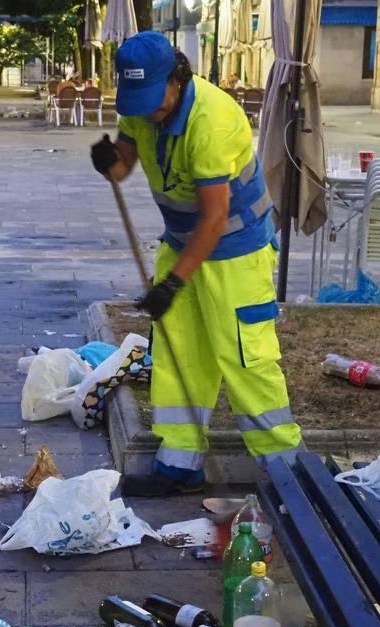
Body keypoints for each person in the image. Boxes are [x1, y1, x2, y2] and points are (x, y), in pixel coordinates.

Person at [90, 31, 301, 495]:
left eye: (155, 102)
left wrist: (171, 284)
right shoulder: (141, 106)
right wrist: (109, 161)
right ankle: (180, 463)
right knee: (177, 352)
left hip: (236, 251)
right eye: (139, 102)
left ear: (178, 77)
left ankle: (290, 474)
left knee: (246, 360)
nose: (149, 112)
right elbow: (125, 163)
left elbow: (215, 217)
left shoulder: (213, 119)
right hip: (182, 241)